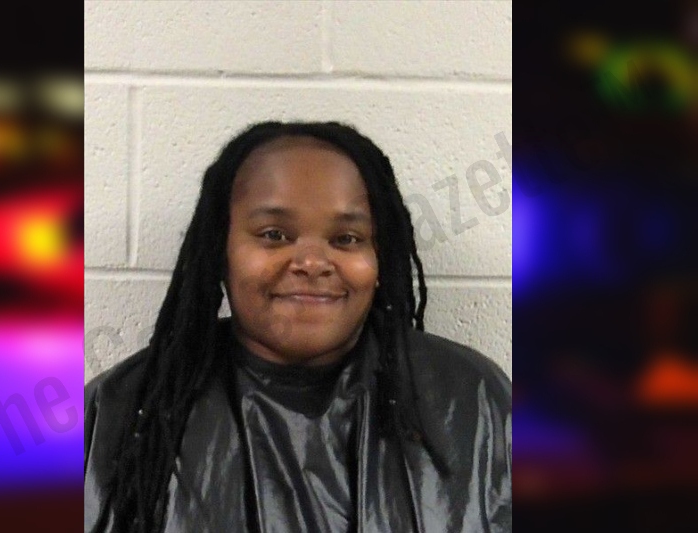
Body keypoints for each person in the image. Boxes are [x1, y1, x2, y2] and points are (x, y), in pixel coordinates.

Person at [84, 121, 512, 532]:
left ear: (380, 257)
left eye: (346, 239)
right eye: (274, 234)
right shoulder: (114, 414)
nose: (311, 263)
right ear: (219, 250)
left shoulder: (474, 401)